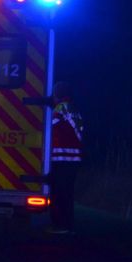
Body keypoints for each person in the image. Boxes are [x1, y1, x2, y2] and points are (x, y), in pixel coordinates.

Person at [49, 81, 83, 233]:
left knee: (61, 193)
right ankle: (64, 224)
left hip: (64, 158)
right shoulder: (73, 108)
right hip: (72, 158)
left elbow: (48, 126)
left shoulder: (61, 108)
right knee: (66, 192)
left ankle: (63, 225)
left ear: (57, 94)